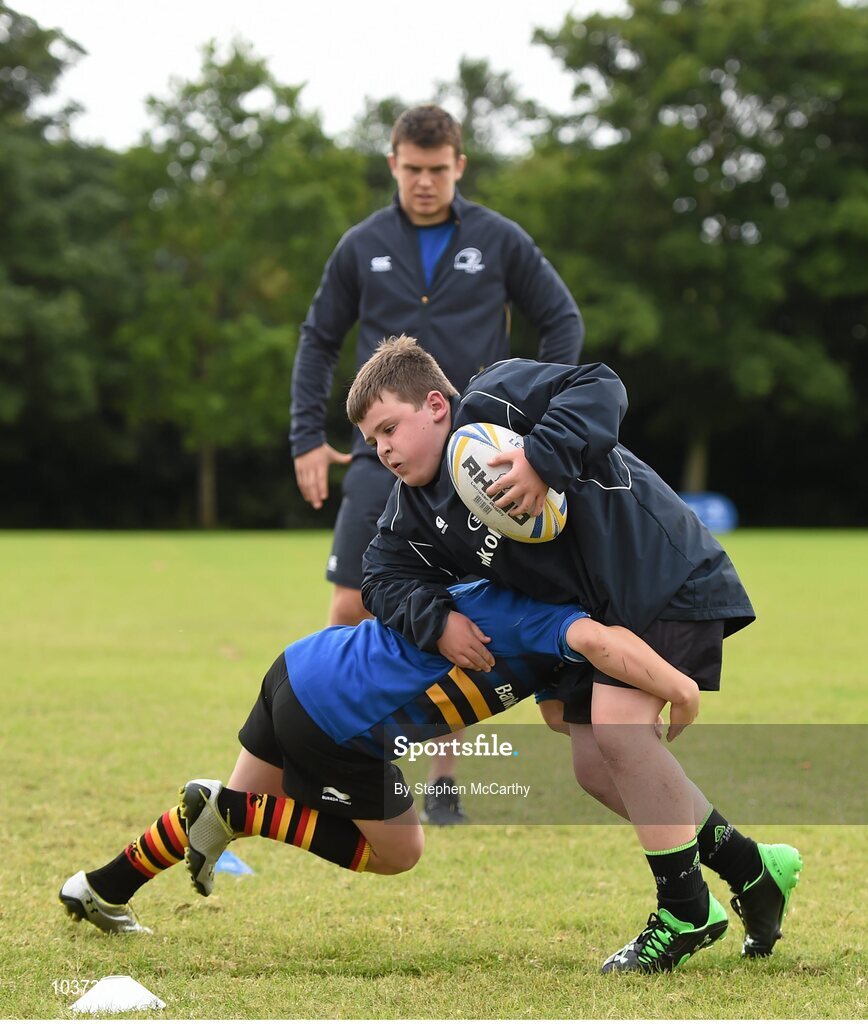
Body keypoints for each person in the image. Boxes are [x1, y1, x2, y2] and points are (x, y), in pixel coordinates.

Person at [348, 335, 802, 973]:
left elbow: (600, 385)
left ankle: (684, 909)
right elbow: (378, 577)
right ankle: (753, 870)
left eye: (390, 427)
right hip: (592, 618)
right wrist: (440, 621)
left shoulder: (494, 399)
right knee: (593, 766)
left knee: (620, 736)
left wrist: (541, 458)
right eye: (372, 441)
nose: (384, 448)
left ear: (435, 405)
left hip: (656, 575)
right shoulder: (415, 513)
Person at [60, 579, 704, 943]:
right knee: (399, 852)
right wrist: (678, 686)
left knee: (227, 811)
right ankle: (235, 812)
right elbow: (598, 639)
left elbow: (560, 714)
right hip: (340, 721)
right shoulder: (549, 614)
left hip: (302, 667)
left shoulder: (510, 604)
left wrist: (624, 728)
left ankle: (100, 887)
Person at [290, 104, 584, 823]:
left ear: (459, 166)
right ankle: (334, 745)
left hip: (477, 462)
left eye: (438, 169)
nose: (425, 182)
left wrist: (536, 431)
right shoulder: (361, 244)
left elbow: (563, 320)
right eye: (412, 168)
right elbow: (319, 338)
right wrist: (305, 436)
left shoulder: (499, 239)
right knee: (350, 600)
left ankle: (446, 781)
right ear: (393, 164)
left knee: (459, 606)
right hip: (377, 458)